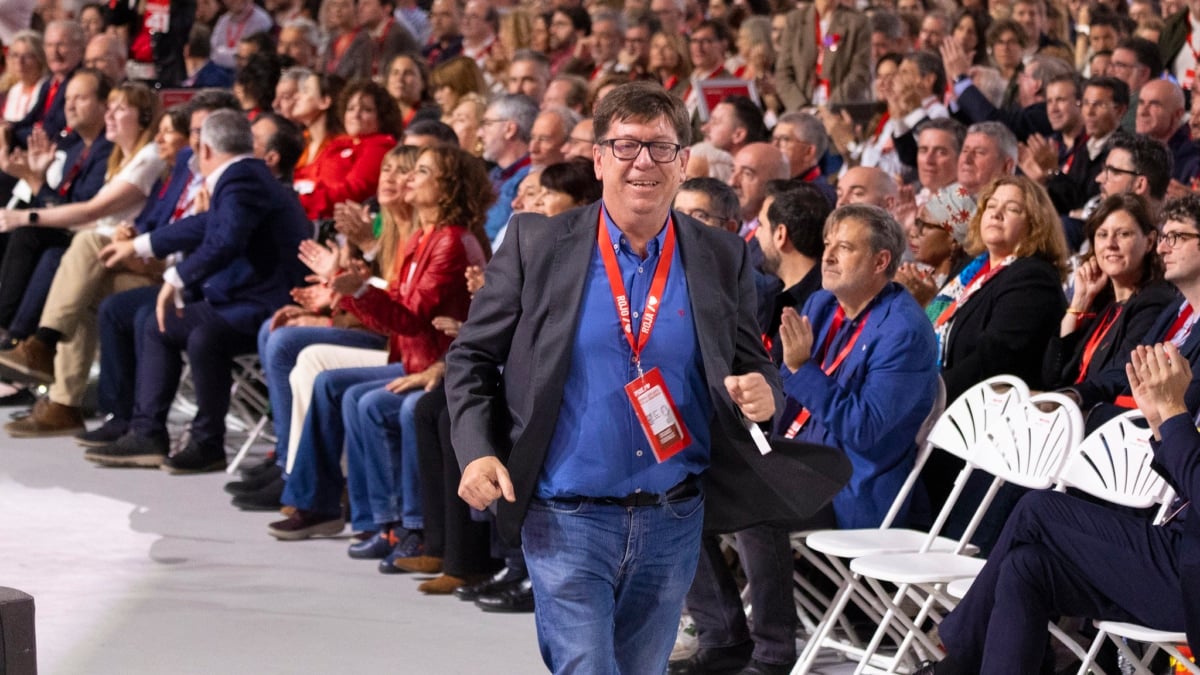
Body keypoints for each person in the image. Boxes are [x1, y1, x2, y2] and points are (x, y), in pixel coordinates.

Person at [446, 80, 826, 674]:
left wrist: (765, 391)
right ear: (598, 160)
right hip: (563, 515)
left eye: (661, 148)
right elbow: (470, 358)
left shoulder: (722, 256)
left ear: (682, 164)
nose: (643, 162)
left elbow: (753, 361)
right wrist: (475, 450)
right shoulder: (535, 243)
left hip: (673, 520)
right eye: (625, 146)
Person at [268, 146, 492, 556]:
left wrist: (355, 290)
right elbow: (393, 319)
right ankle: (358, 515)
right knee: (336, 387)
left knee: (366, 401)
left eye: (421, 171)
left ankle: (405, 526)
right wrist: (351, 293)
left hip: (439, 368)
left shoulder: (450, 242)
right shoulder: (423, 236)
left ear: (447, 189)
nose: (409, 178)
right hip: (412, 359)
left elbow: (409, 319)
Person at [927, 338, 1197, 675]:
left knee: (1039, 509)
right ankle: (966, 657)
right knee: (1026, 566)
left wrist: (1174, 413)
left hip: (1188, 580)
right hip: (1178, 553)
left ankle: (960, 659)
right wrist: (1160, 420)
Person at [85, 109, 310, 473]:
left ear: (204, 149)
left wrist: (176, 278)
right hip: (251, 295)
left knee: (184, 329)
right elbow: (207, 224)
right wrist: (142, 245)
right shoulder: (244, 176)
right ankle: (161, 434)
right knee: (169, 325)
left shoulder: (240, 179)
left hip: (270, 302)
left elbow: (225, 241)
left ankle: (191, 439)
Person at [0, 105, 191, 437]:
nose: (161, 138)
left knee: (81, 247)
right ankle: (62, 403)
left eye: (170, 132)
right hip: (144, 264)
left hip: (172, 278)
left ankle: (40, 344)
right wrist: (132, 236)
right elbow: (151, 223)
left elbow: (91, 213)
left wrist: (138, 245)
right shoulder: (170, 176)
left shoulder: (159, 166)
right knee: (79, 288)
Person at [922, 175, 1070, 523]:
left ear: (1034, 224)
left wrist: (926, 397)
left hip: (986, 431)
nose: (997, 214)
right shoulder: (969, 272)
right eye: (991, 205)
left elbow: (993, 359)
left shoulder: (1033, 277)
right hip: (949, 416)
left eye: (1012, 208)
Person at [1044, 193, 1175, 391]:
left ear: (1149, 242)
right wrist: (1079, 303)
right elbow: (1051, 376)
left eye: (1123, 234)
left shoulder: (1154, 302)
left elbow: (1117, 378)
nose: (1110, 244)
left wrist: (1069, 398)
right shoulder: (1102, 304)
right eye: (1102, 234)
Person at [292, 75, 399, 220]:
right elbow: (306, 174)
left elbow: (354, 191)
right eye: (350, 108)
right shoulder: (339, 143)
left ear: (382, 116)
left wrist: (302, 202)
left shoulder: (380, 146)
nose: (356, 115)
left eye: (366, 110)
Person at [774, 0, 870, 109]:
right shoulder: (795, 20)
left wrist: (830, 108)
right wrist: (801, 107)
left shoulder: (857, 22)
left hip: (840, 109)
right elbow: (783, 73)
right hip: (801, 110)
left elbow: (859, 73)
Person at [895, 183, 976, 307]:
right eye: (917, 223)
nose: (913, 233)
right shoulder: (915, 273)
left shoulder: (963, 289)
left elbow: (942, 324)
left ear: (954, 240)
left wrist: (926, 301)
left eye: (924, 226)